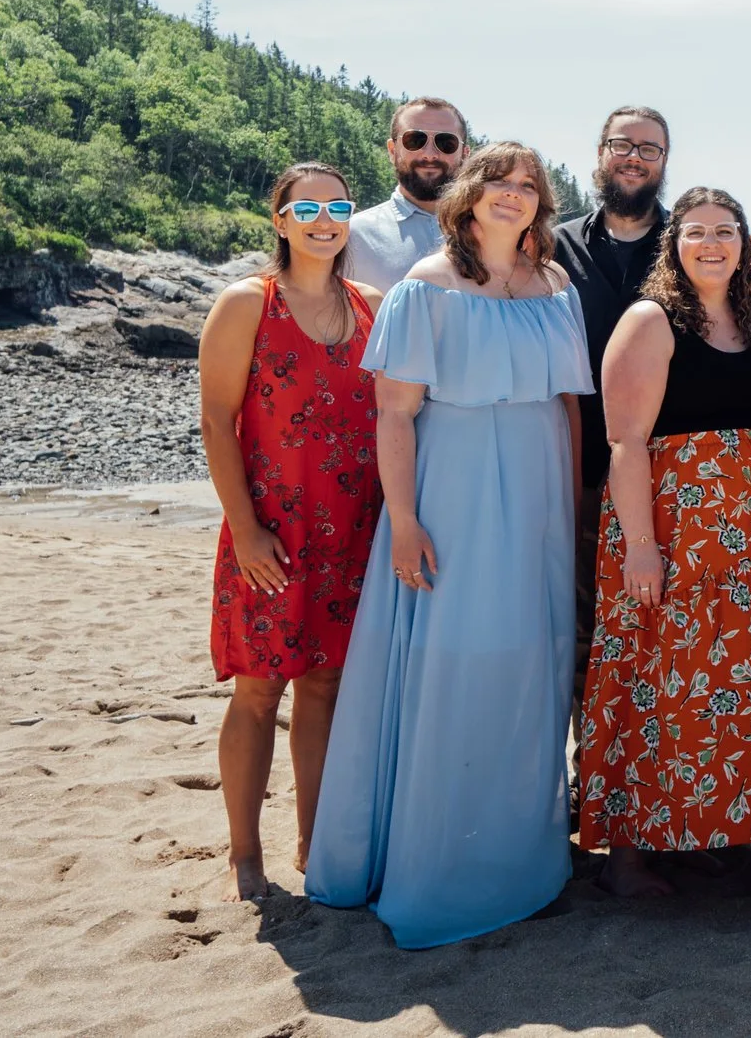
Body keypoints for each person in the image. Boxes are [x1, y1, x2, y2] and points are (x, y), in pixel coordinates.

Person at [305, 143, 592, 948]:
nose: (512, 194)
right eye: (498, 180)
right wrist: (404, 519)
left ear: (541, 203)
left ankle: (522, 861)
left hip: (538, 490)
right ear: (469, 193)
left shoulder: (556, 286)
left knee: (530, 662)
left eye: (528, 185)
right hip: (454, 491)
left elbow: (566, 406)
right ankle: (441, 867)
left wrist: (570, 506)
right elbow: (394, 413)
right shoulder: (424, 286)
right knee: (455, 661)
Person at [579, 186, 751, 898]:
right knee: (652, 678)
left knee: (723, 686)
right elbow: (625, 441)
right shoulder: (651, 319)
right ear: (674, 244)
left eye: (725, 231)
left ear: (743, 243)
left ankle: (696, 833)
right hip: (671, 528)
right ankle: (628, 854)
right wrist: (641, 546)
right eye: (695, 231)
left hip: (744, 539)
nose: (711, 243)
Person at [197, 161, 384, 902]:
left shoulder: (372, 306)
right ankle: (244, 855)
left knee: (326, 685)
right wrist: (245, 530)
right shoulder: (248, 303)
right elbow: (217, 421)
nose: (323, 220)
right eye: (306, 209)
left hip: (352, 528)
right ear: (280, 221)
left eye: (337, 207)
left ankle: (314, 842)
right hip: (272, 530)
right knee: (258, 689)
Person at [550, 105, 672, 708]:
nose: (634, 158)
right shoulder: (553, 244)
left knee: (656, 625)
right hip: (569, 466)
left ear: (665, 163)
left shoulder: (687, 244)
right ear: (600, 153)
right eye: (623, 145)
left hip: (664, 472)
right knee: (575, 628)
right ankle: (586, 758)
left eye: (650, 149)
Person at [345, 97, 467, 292]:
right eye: (415, 141)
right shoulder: (350, 236)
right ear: (392, 151)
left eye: (446, 143)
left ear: (465, 154)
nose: (429, 154)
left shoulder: (492, 234)